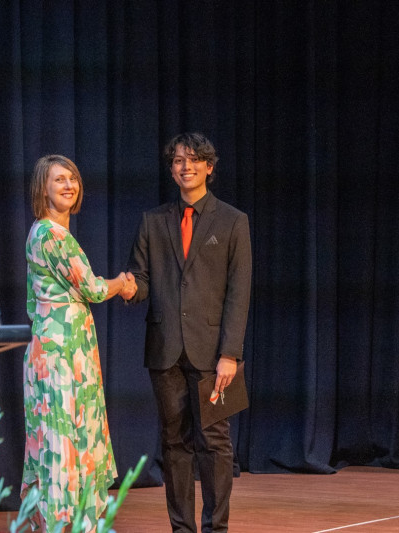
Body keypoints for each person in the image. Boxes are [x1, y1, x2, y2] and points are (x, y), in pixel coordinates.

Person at [123, 132, 252, 533]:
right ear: (172, 169)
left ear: (209, 167)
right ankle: (181, 528)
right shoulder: (153, 220)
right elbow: (142, 279)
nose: (186, 167)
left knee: (215, 443)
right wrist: (127, 288)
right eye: (179, 160)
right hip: (165, 350)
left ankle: (216, 528)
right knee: (174, 443)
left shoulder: (233, 221)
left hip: (214, 354)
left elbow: (239, 292)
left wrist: (230, 353)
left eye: (194, 160)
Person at [21, 154, 133, 532]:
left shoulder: (48, 232)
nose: (69, 185)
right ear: (43, 189)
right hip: (60, 353)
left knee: (69, 434)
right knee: (60, 437)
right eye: (59, 180)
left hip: (67, 348)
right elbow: (93, 288)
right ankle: (60, 523)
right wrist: (122, 283)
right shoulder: (50, 234)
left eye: (72, 178)